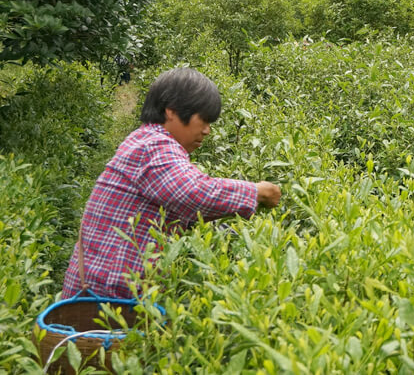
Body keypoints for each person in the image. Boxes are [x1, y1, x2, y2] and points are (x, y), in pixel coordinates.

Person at [62, 67, 281, 299]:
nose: (207, 131)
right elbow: (193, 193)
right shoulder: (154, 145)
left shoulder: (146, 140)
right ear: (171, 112)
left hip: (108, 294)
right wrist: (256, 192)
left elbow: (183, 209)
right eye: (203, 120)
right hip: (104, 300)